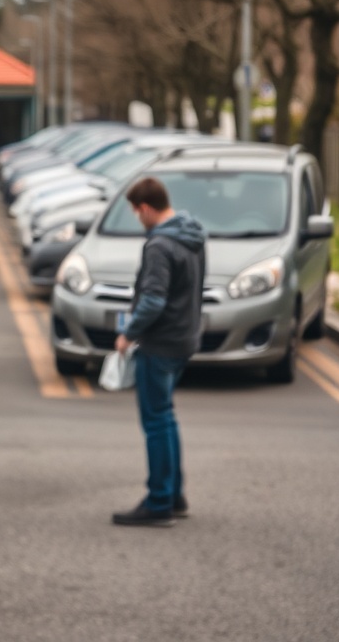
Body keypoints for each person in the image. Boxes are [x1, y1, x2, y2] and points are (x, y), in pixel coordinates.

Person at [113, 177, 206, 527]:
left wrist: (128, 334)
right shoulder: (193, 234)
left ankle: (159, 502)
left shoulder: (159, 246)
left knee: (155, 421)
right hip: (185, 337)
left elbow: (153, 299)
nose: (138, 218)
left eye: (137, 212)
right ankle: (175, 494)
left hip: (160, 342)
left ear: (147, 208)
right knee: (166, 417)